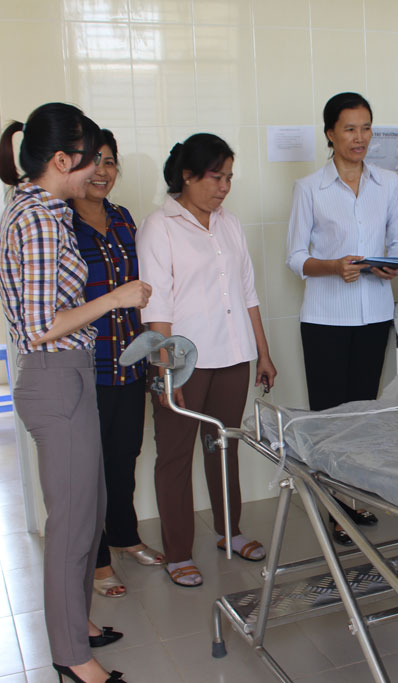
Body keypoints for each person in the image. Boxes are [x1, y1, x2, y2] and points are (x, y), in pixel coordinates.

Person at [0, 103, 151, 683]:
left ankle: (76, 623)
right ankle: (71, 657)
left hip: (70, 372)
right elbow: (41, 324)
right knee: (71, 524)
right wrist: (116, 298)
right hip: (55, 375)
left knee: (87, 513)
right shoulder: (39, 218)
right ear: (62, 160)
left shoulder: (41, 209)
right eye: (90, 161)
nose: (98, 173)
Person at [136, 133, 277, 587]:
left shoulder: (229, 224)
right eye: (216, 177)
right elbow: (156, 307)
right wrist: (165, 370)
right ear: (187, 176)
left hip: (234, 355)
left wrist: (263, 352)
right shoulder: (159, 226)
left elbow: (248, 293)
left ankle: (229, 531)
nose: (224, 187)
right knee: (175, 456)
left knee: (223, 446)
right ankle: (178, 552)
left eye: (229, 178)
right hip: (183, 362)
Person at [285, 92, 398, 545]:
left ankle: (354, 499)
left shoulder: (388, 183)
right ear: (330, 134)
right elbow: (295, 257)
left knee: (364, 415)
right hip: (325, 319)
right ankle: (333, 505)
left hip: (374, 314)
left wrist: (395, 263)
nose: (360, 137)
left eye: (366, 127)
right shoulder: (309, 188)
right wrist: (333, 266)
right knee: (329, 419)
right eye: (350, 129)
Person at [70, 129, 165, 600]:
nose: (102, 171)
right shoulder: (62, 224)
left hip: (129, 360)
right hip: (86, 364)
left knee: (125, 454)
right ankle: (97, 558)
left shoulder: (123, 218)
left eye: (110, 161)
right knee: (91, 466)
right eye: (94, 161)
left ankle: (125, 535)